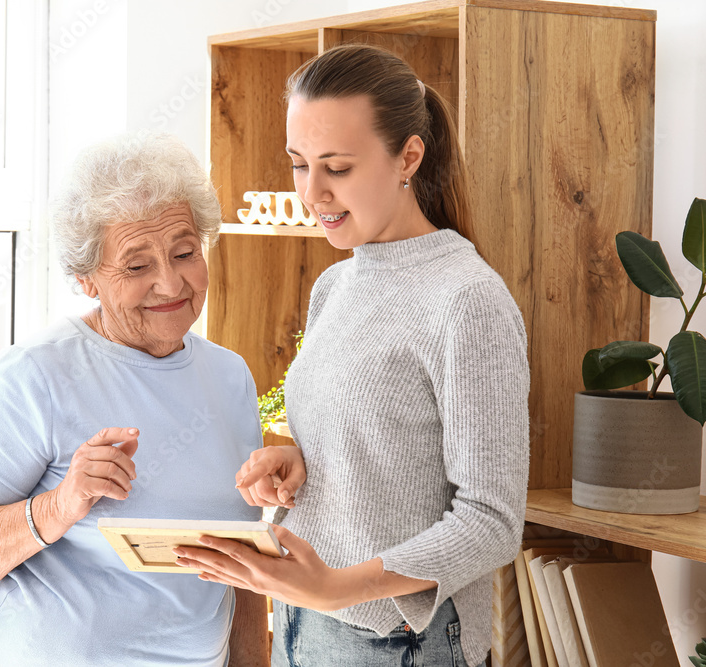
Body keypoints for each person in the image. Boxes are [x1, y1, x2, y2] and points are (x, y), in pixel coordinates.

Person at [173, 44, 530, 667]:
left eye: (336, 166)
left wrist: (337, 587)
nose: (313, 192)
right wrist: (298, 461)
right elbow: (379, 445)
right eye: (298, 164)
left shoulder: (467, 300)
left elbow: (492, 523)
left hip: (396, 642)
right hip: (301, 622)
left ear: (408, 157)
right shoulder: (336, 285)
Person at [0, 133, 268, 667]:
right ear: (87, 279)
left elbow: (239, 569)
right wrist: (58, 507)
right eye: (136, 265)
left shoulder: (230, 376)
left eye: (185, 252)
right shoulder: (34, 375)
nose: (170, 282)